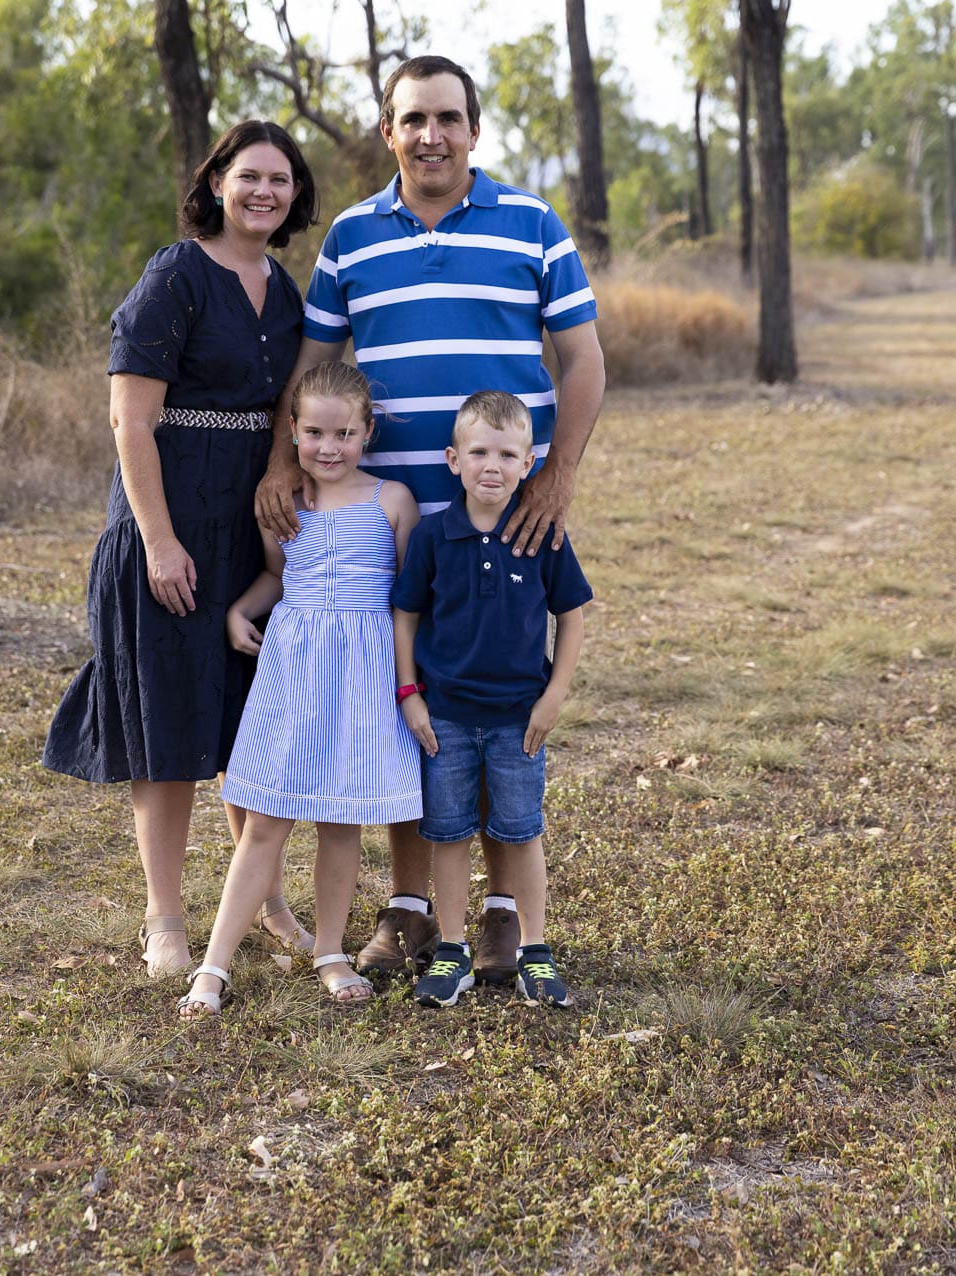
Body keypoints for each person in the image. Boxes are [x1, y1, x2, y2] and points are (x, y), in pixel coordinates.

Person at [254, 54, 605, 982]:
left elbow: (582, 359)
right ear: (389, 132)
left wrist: (556, 478)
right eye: (414, 119)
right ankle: (410, 908)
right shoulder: (353, 237)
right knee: (411, 710)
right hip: (393, 524)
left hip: (506, 516)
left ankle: (502, 915)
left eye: (448, 118)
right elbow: (314, 365)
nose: (432, 135)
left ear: (474, 130)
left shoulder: (532, 223)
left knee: (498, 705)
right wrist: (284, 463)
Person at [44, 121, 320, 977]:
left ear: (295, 196)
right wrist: (159, 542)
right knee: (166, 721)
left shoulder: (286, 291)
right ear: (217, 183)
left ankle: (264, 900)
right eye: (249, 176)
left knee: (250, 723)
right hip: (168, 521)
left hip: (247, 526)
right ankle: (164, 918)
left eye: (280, 179)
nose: (264, 191)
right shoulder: (177, 275)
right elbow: (130, 419)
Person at [177, 362, 422, 1015]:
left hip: (363, 676)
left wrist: (410, 681)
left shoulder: (393, 501)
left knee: (341, 821)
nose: (329, 447)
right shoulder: (283, 504)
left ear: (368, 433)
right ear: (292, 430)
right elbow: (278, 576)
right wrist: (240, 610)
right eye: (314, 432)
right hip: (295, 670)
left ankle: (331, 951)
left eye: (344, 434)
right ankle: (214, 965)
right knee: (266, 820)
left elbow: (410, 600)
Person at [392, 391, 591, 1008]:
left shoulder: (542, 535)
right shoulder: (432, 536)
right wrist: (409, 693)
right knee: (449, 832)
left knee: (521, 832)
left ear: (528, 463)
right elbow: (406, 615)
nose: (492, 466)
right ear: (453, 459)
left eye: (507, 455)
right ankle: (452, 951)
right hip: (445, 718)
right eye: (478, 452)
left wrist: (555, 695)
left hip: (518, 720)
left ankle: (535, 951)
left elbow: (572, 615)